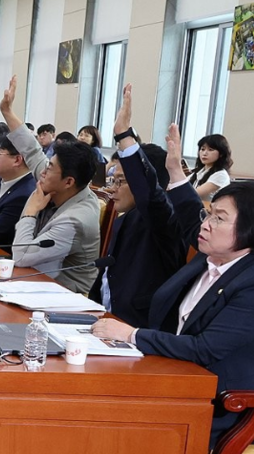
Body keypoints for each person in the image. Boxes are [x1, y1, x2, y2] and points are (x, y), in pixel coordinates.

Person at [93, 180, 254, 447]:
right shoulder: (211, 257)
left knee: (115, 420)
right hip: (181, 377)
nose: (205, 224)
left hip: (231, 405)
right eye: (209, 214)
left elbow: (205, 349)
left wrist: (132, 335)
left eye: (219, 218)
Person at [88, 85, 197, 328]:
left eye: (122, 182)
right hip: (104, 319)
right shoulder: (124, 218)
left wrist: (124, 137)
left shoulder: (164, 220)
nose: (113, 189)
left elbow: (150, 198)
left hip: (136, 328)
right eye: (112, 180)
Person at [0, 76, 100, 294]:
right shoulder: (57, 180)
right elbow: (32, 151)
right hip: (38, 280)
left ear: (69, 181)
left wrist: (29, 212)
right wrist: (7, 111)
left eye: (49, 168)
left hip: (65, 295)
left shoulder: (76, 219)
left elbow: (22, 255)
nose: (42, 171)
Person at [188, 134, 232, 201]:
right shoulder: (199, 171)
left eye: (210, 150)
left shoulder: (221, 175)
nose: (204, 153)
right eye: (202, 149)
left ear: (221, 154)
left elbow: (193, 194)